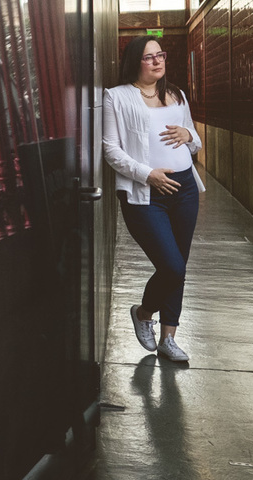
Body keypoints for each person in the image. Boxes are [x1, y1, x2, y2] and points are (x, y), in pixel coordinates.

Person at [102, 37, 204, 362]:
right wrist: (147, 174)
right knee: (171, 267)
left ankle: (168, 338)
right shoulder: (116, 97)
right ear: (135, 62)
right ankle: (144, 313)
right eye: (149, 57)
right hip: (146, 194)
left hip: (185, 188)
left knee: (181, 266)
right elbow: (110, 150)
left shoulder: (177, 94)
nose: (158, 61)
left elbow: (193, 139)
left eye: (161, 54)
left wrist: (190, 136)